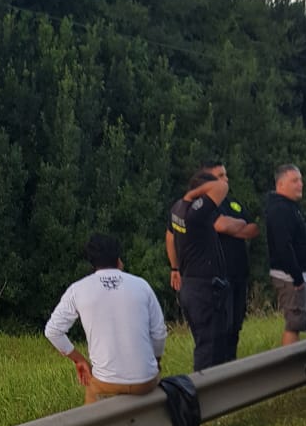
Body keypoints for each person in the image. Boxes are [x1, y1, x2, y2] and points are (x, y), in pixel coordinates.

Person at [44, 234, 166, 405]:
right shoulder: (141, 285)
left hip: (106, 384)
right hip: (145, 382)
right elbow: (159, 333)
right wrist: (156, 361)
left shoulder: (78, 289)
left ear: (92, 262)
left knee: (92, 417)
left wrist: (79, 360)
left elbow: (53, 331)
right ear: (118, 260)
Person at [166, 164, 258, 370]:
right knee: (209, 348)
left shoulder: (178, 208)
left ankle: (219, 387)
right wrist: (199, 191)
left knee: (211, 342)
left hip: (192, 284)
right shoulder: (195, 214)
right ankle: (206, 393)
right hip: (204, 288)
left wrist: (174, 268)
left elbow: (169, 236)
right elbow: (221, 189)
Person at [265, 164, 306, 346]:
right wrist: (296, 276)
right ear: (281, 184)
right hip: (291, 277)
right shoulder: (279, 210)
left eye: (301, 180)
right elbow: (283, 246)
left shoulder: (291, 207)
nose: (300, 184)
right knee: (295, 323)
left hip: (305, 275)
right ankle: (288, 368)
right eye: (294, 180)